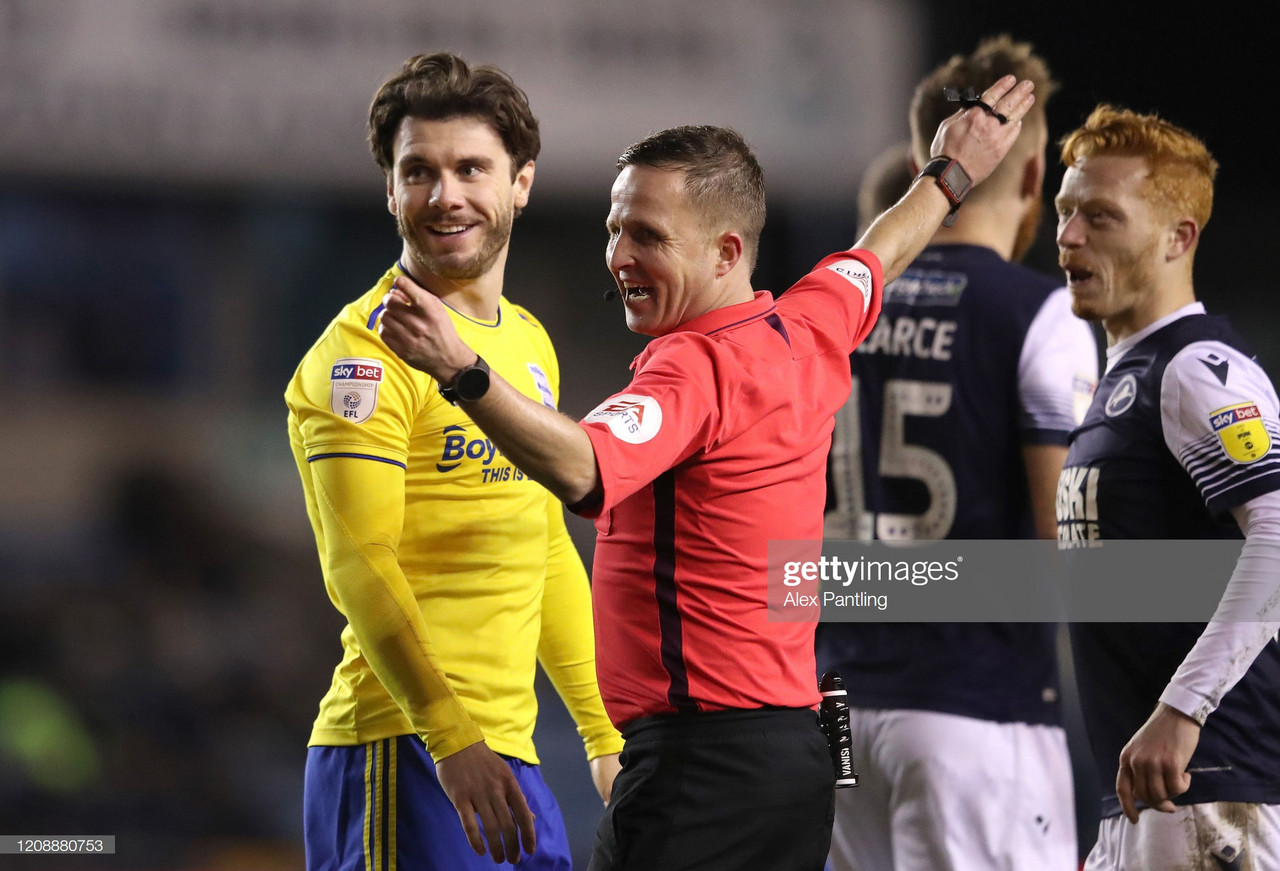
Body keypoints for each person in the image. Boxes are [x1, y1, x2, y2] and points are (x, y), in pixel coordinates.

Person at [377, 75, 1037, 870]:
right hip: (794, 756)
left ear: (727, 251)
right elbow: (879, 254)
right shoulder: (807, 320)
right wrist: (950, 173)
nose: (621, 255)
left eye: (649, 236)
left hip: (703, 766)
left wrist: (463, 369)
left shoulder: (692, 373)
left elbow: (586, 467)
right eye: (616, 228)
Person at [285, 52, 623, 870]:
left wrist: (603, 734)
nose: (447, 195)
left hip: (510, 756)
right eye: (419, 171)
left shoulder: (527, 342)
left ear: (522, 183)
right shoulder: (359, 355)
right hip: (405, 748)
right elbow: (361, 563)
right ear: (390, 190)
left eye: (472, 167)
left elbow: (544, 546)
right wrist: (450, 735)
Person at [816, 37, 1097, 871]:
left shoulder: (836, 310)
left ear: (919, 161)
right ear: (1038, 172)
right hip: (973, 711)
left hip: (831, 711)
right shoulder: (1039, 314)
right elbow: (1068, 552)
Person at [1054, 105, 1280, 868]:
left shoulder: (1196, 367)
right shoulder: (1126, 378)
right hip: (1148, 795)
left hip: (1211, 784)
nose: (1069, 236)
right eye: (1064, 211)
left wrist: (1184, 709)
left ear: (1178, 237)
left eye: (1101, 217)